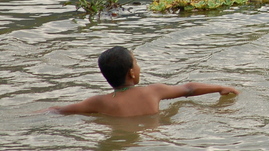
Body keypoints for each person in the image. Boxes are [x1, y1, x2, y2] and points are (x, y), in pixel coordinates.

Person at [46, 46, 240, 117]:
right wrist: (221, 87)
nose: (139, 67)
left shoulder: (99, 102)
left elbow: (61, 110)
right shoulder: (152, 92)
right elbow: (189, 88)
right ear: (131, 73)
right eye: (137, 62)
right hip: (152, 137)